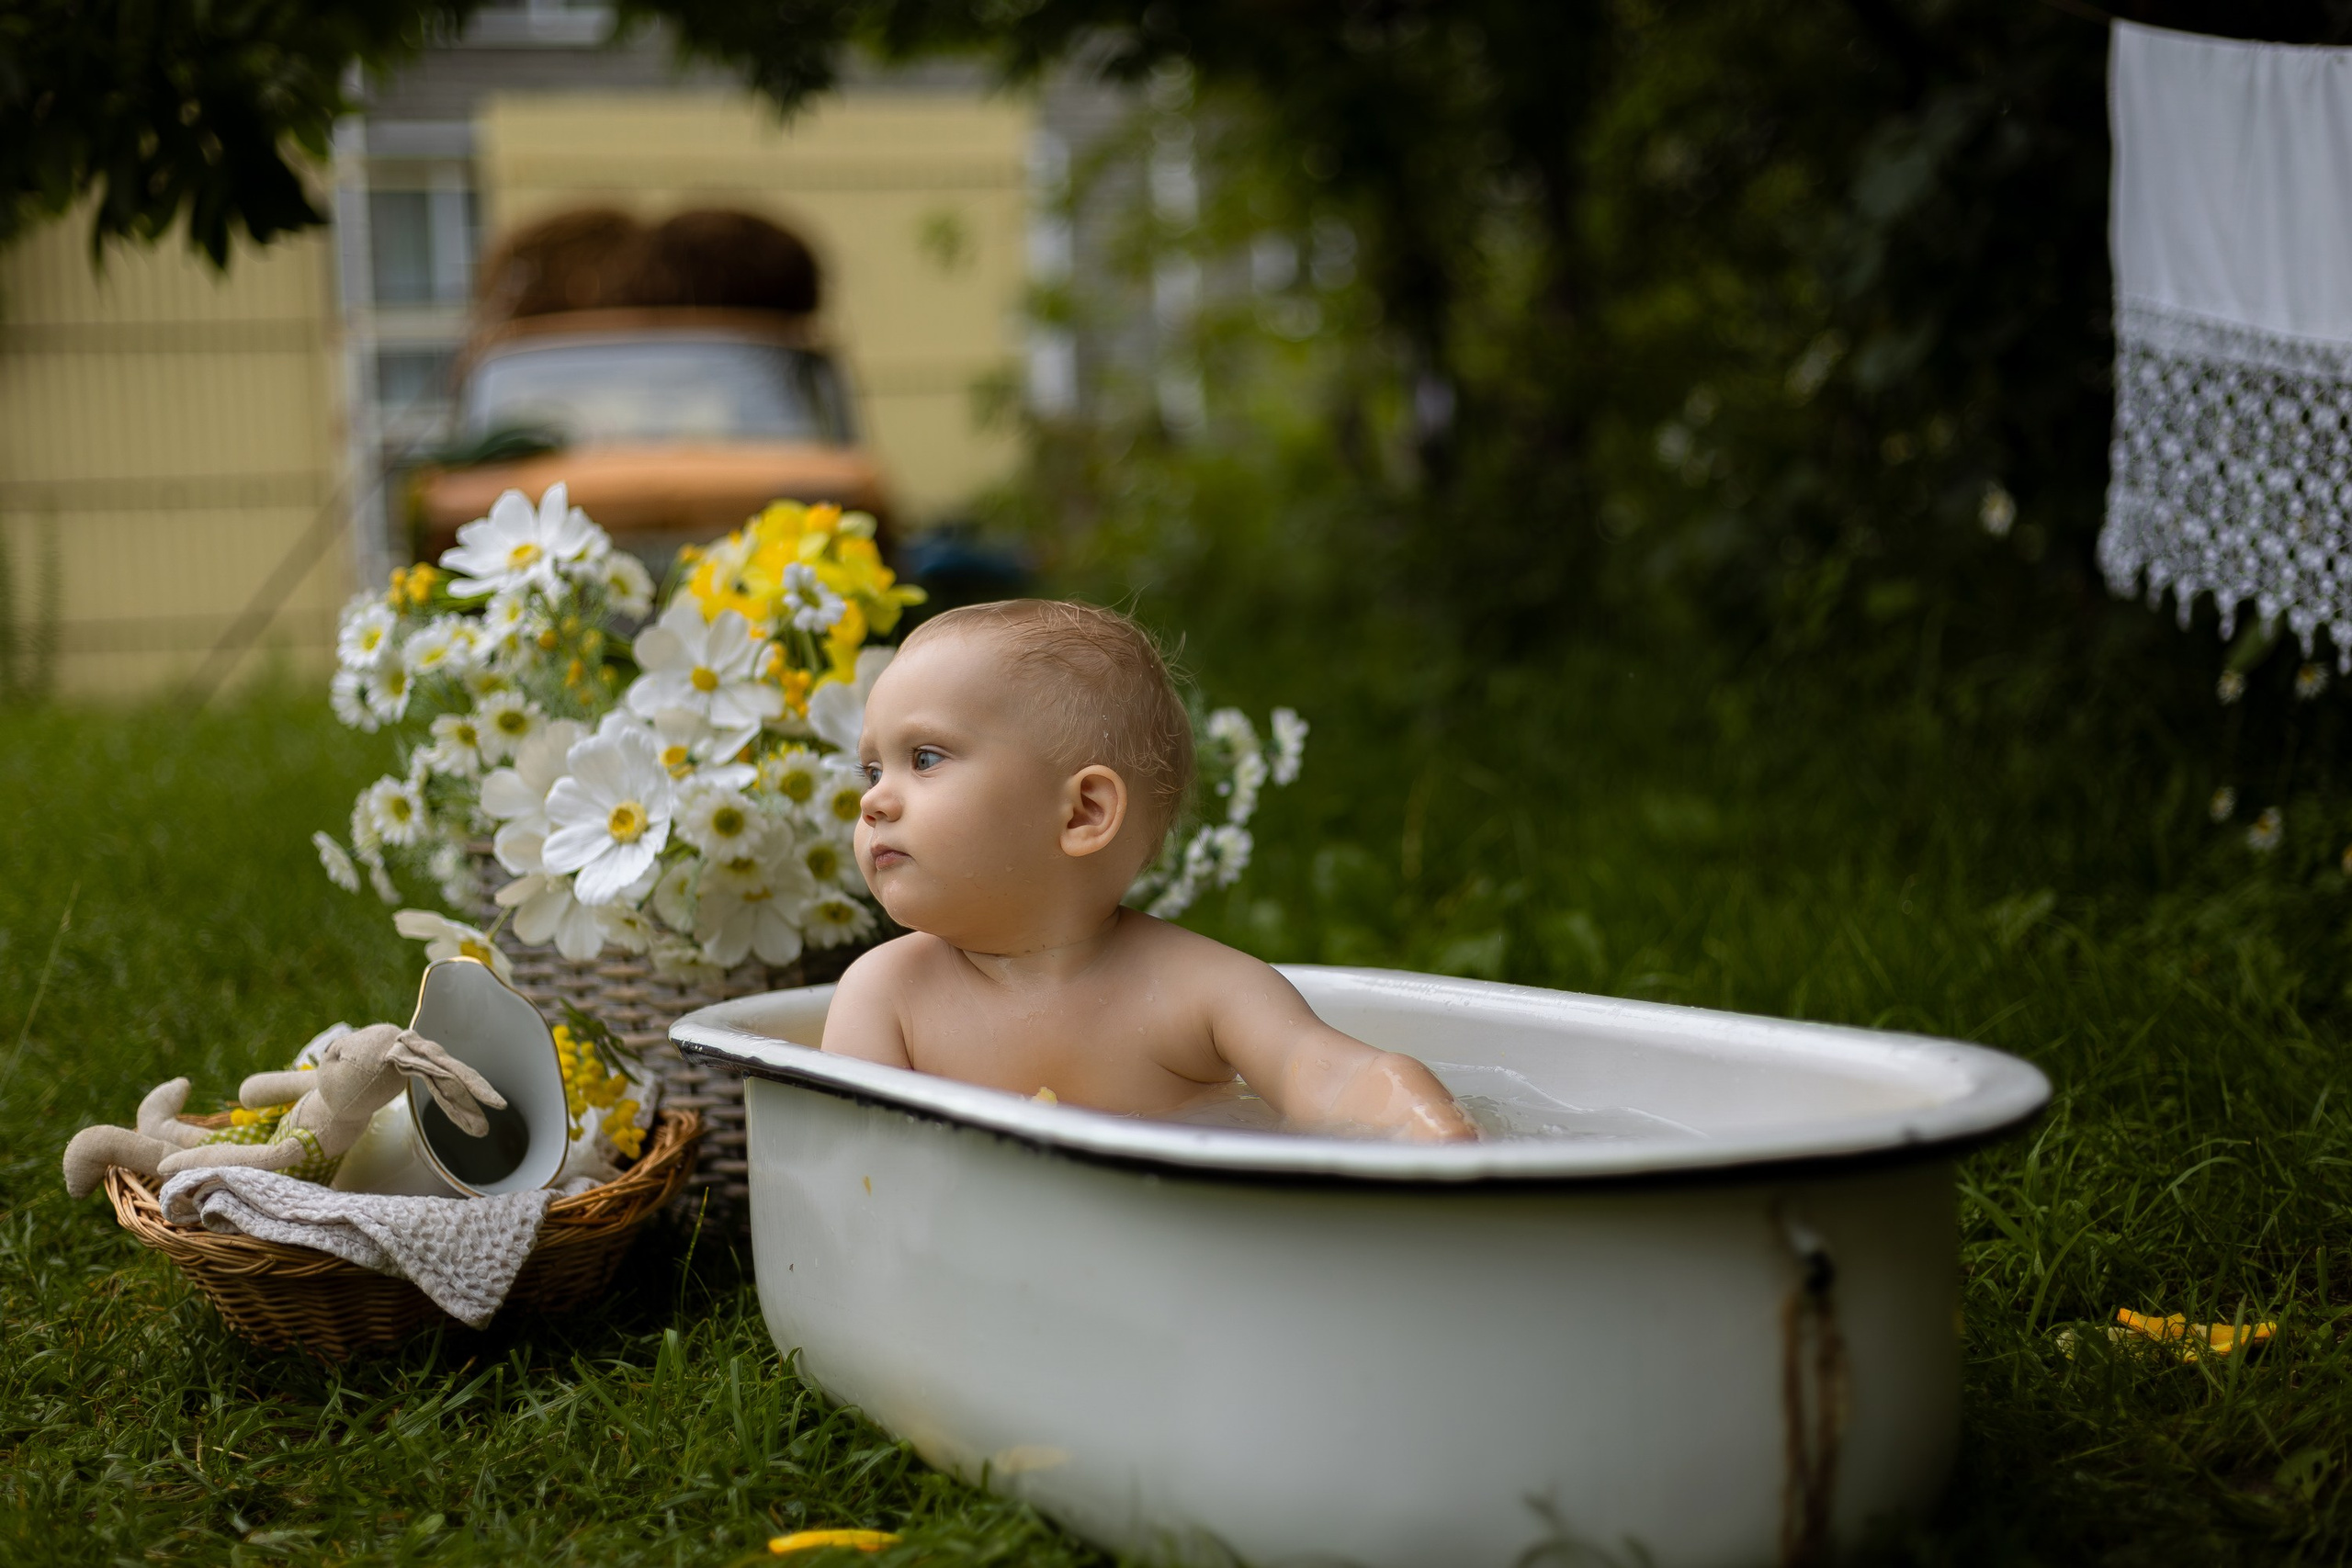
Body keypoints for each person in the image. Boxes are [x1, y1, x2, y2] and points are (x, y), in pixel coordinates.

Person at [820, 599, 1474, 1143]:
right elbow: (856, 1166)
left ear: (1082, 812)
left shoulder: (1200, 991)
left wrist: (1418, 1119)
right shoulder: (887, 996)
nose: (874, 799)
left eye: (926, 758)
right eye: (873, 769)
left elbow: (1324, 1072)